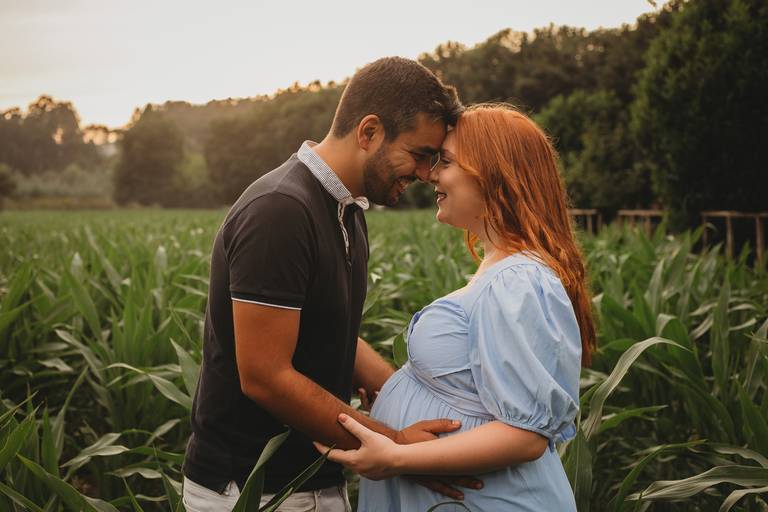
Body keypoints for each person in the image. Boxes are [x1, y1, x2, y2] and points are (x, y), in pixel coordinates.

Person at [182, 57, 474, 512]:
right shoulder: (280, 210)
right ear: (369, 132)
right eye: (419, 154)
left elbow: (325, 328)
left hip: (308, 481)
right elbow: (265, 376)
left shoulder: (346, 211)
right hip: (254, 489)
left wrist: (398, 388)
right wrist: (396, 445)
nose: (424, 174)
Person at [315, 104, 598, 511]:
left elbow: (526, 436)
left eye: (445, 161)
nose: (429, 174)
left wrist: (395, 456)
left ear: (493, 174)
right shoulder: (502, 270)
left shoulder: (516, 280)